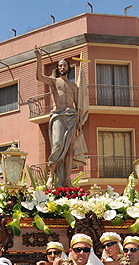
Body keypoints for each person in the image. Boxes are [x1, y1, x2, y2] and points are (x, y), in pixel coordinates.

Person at [34, 46, 87, 188]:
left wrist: (79, 121)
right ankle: (51, 177)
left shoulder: (74, 86)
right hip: (58, 115)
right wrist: (39, 59)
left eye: (64, 65)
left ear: (68, 68)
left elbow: (78, 104)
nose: (62, 67)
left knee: (69, 148)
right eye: (59, 65)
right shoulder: (54, 81)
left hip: (71, 117)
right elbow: (39, 77)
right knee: (57, 145)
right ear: (58, 68)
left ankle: (67, 179)